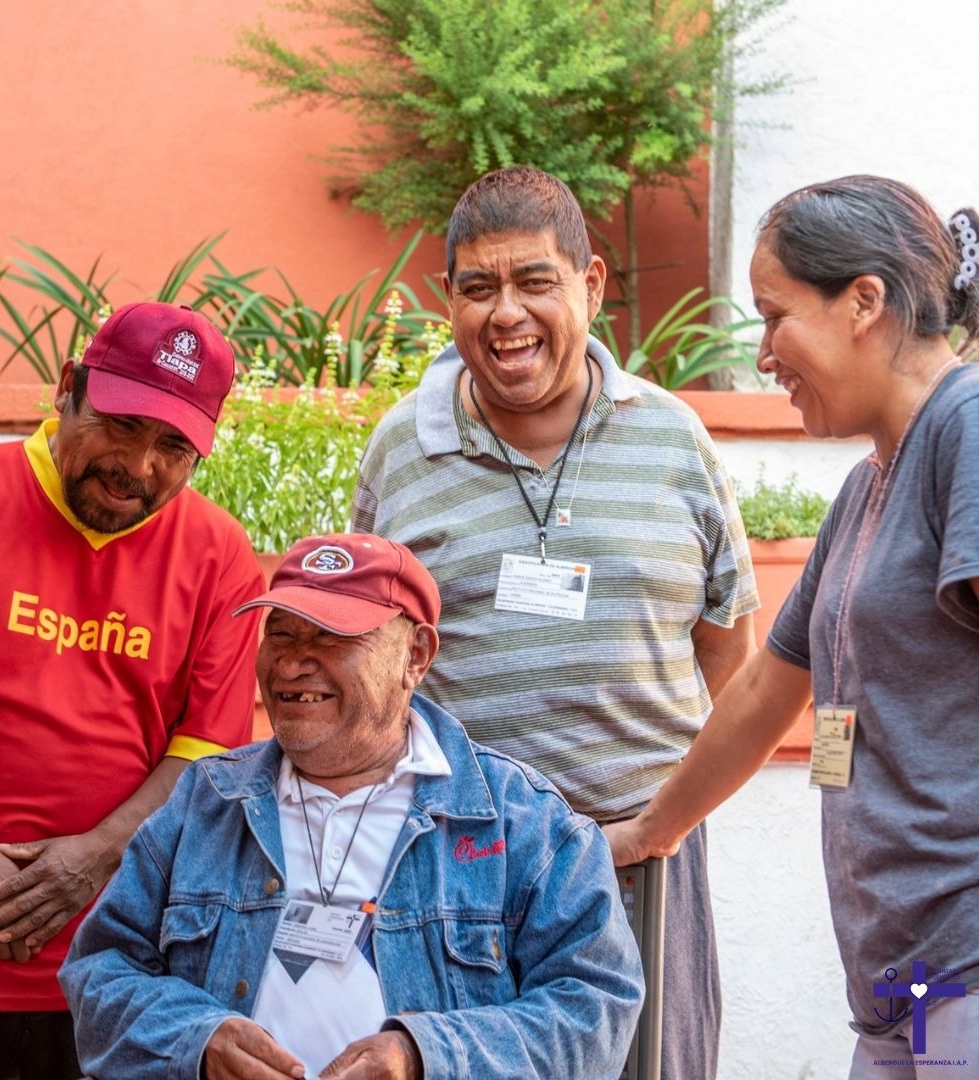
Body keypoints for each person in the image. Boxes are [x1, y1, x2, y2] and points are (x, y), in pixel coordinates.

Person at [351, 165, 757, 1079]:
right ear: (445, 298)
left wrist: (660, 823)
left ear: (591, 285)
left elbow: (732, 653)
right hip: (459, 866)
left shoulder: (674, 439)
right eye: (478, 287)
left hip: (639, 859)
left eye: (535, 280)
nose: (507, 313)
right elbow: (370, 658)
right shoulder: (400, 449)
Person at [609, 175, 979, 1077]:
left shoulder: (965, 428)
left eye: (775, 316)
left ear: (864, 302)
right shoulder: (866, 488)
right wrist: (644, 833)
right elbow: (768, 691)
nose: (765, 352)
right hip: (904, 979)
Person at [59, 532, 645, 1080]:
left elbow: (596, 1007)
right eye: (281, 633)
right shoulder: (207, 801)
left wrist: (423, 1056)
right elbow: (99, 971)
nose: (291, 663)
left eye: (331, 637)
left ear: (415, 656)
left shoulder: (523, 822)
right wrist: (198, 1039)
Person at [0, 302, 265, 1079]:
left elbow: (205, 750)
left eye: (174, 445)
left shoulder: (219, 556)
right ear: (69, 388)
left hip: (113, 966)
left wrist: (91, 861)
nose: (139, 466)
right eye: (123, 424)